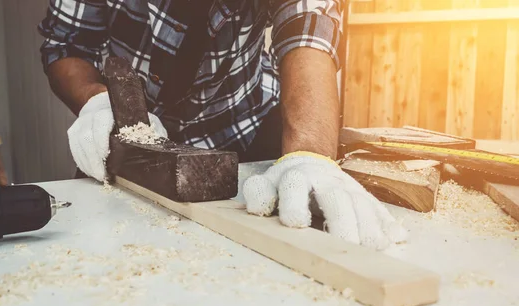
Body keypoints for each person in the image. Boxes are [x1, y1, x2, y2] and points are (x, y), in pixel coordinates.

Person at [38, 0, 406, 250]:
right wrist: (97, 102)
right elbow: (66, 44)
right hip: (125, 138)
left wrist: (310, 153)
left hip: (245, 127)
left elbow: (306, 27)